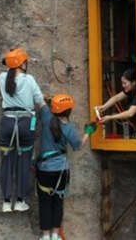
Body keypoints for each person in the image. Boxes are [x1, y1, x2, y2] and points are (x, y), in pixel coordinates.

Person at [35, 94, 95, 240]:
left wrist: (47, 99)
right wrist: (88, 132)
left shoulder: (46, 115)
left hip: (45, 169)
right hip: (61, 171)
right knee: (58, 201)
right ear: (68, 112)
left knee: (45, 203)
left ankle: (45, 236)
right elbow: (79, 145)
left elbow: (40, 100)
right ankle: (55, 234)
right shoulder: (68, 128)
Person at [0, 48, 46, 212]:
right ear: (22, 63)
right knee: (24, 161)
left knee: (6, 161)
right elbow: (40, 101)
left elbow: (8, 70)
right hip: (26, 123)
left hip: (7, 122)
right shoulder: (29, 79)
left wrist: (10, 61)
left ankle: (5, 201)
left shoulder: (3, 77)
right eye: (25, 61)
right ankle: (19, 200)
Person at [97, 69, 136, 137]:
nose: (123, 86)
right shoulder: (131, 90)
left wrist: (110, 117)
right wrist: (103, 107)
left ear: (133, 82)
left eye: (125, 83)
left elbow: (130, 113)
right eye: (122, 83)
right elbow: (117, 98)